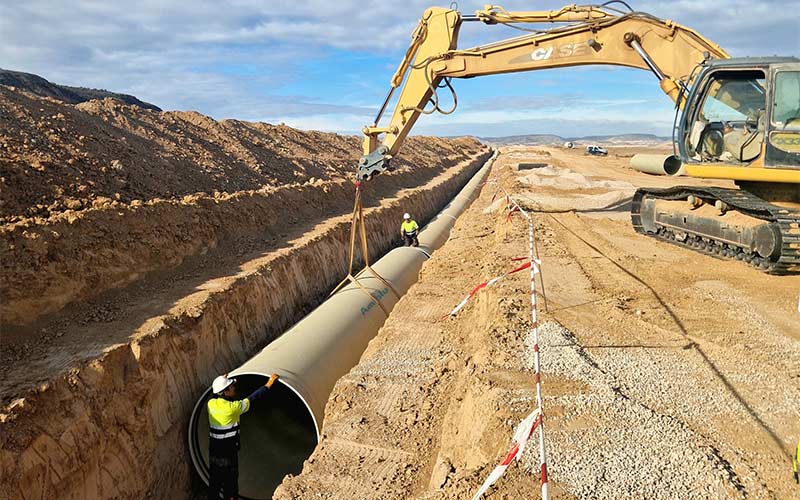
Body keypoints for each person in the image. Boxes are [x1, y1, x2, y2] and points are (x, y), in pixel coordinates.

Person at [207, 373, 279, 500]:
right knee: (231, 485)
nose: (234, 387)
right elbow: (253, 398)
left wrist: (222, 380)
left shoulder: (211, 404)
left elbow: (215, 393)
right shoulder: (233, 408)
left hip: (214, 452)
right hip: (228, 454)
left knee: (215, 482)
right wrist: (269, 384)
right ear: (224, 392)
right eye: (231, 386)